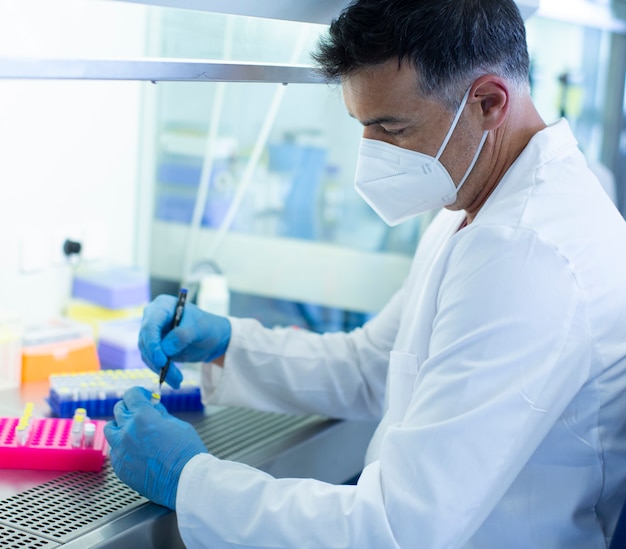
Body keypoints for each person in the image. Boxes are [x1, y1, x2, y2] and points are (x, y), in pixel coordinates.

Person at [104, 0, 626, 547]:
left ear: (489, 102)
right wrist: (228, 344)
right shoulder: (480, 203)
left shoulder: (529, 254)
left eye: (392, 128)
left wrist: (190, 479)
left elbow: (394, 529)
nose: (371, 156)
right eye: (362, 126)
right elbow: (377, 366)